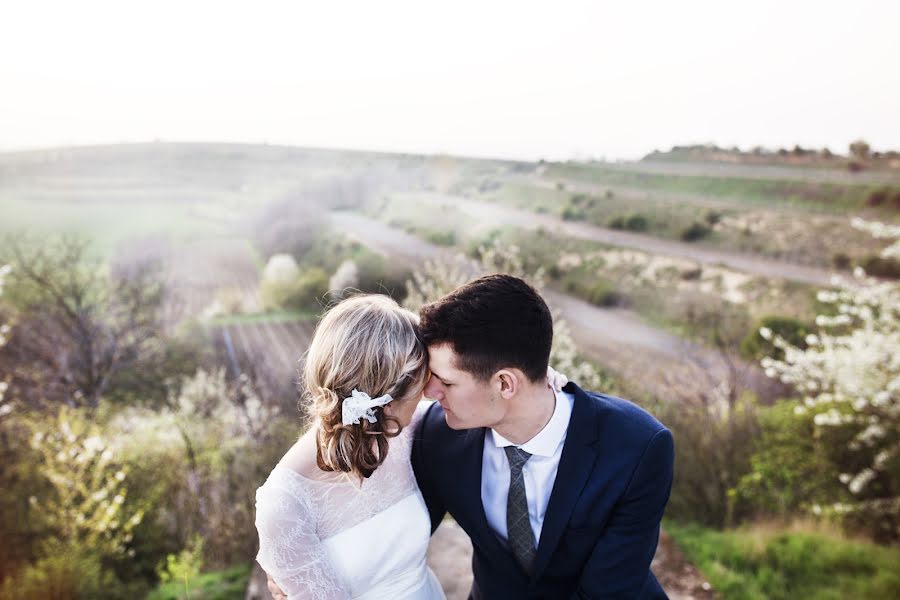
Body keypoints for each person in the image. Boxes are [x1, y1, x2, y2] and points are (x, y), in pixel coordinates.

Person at [412, 274, 674, 599]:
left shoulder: (638, 446)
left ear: (506, 384)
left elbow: (610, 590)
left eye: (446, 382)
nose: (429, 392)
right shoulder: (437, 436)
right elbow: (402, 537)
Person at [254, 294, 445, 600]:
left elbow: (476, 405)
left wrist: (543, 382)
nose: (429, 392)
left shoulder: (404, 429)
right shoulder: (284, 504)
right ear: (389, 399)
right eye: (422, 384)